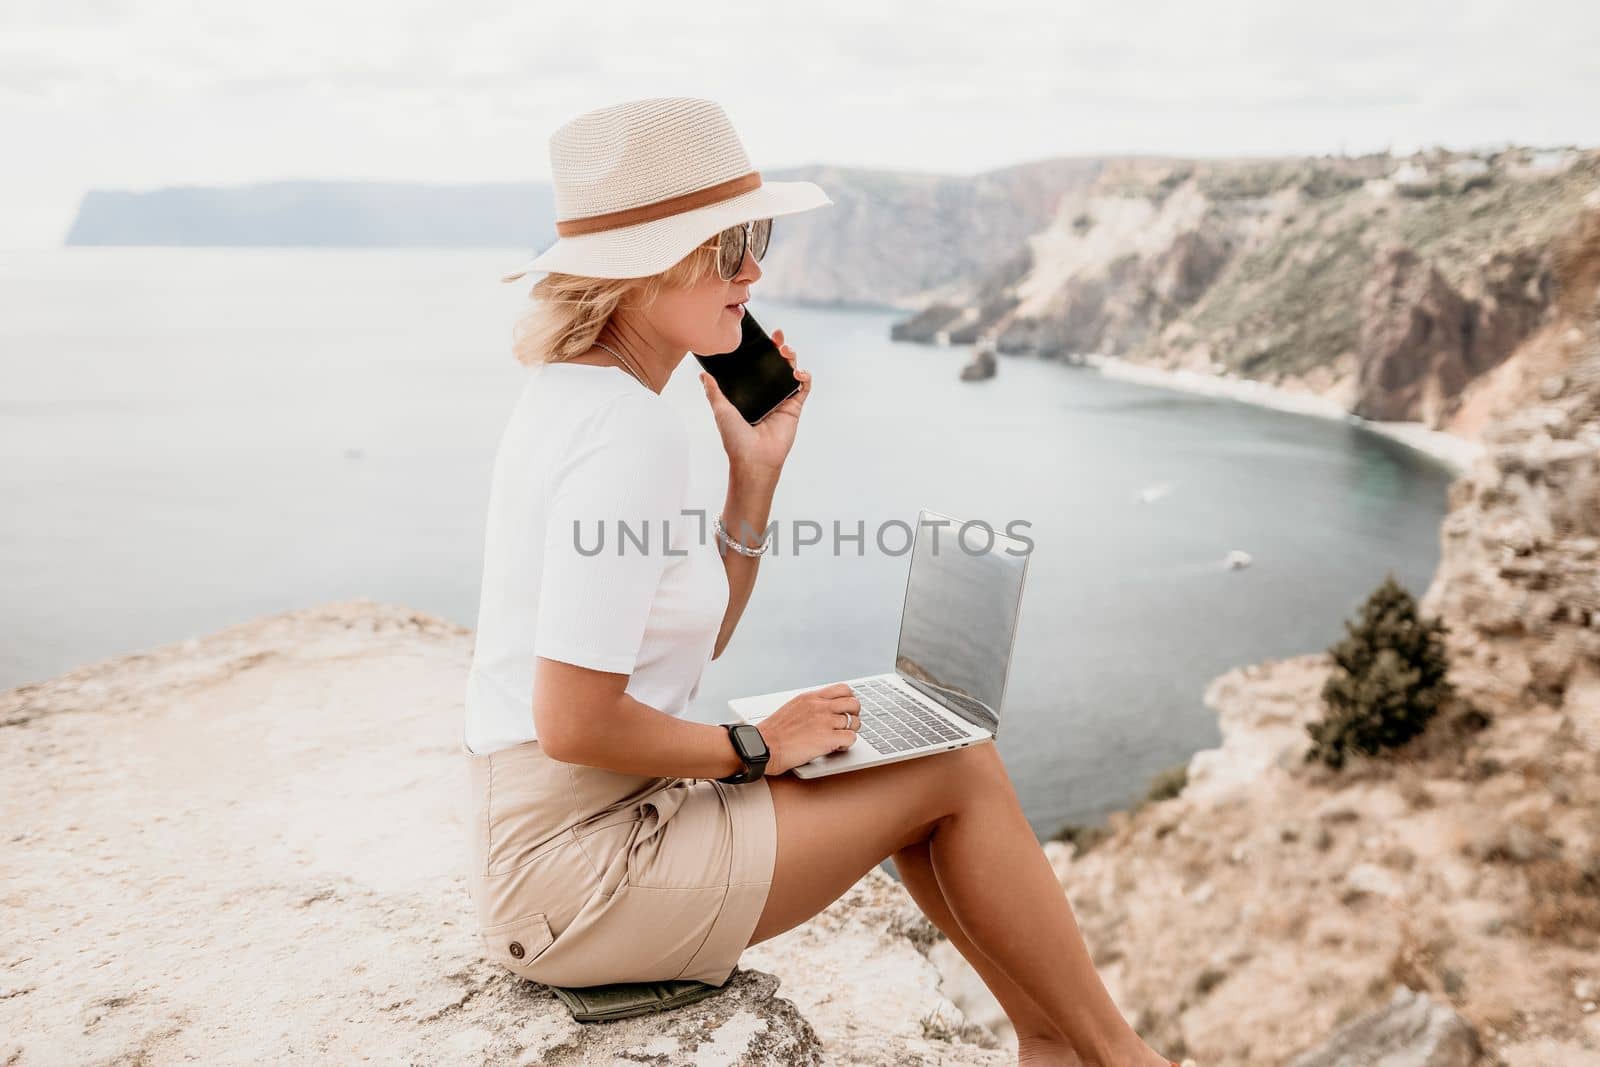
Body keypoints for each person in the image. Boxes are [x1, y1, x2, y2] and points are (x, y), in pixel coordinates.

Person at [463, 96, 1182, 1067]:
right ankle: (1106, 1052)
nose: (755, 270)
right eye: (729, 245)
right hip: (583, 870)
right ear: (645, 266)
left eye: (753, 238)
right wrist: (757, 742)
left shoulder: (592, 395)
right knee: (954, 764)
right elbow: (573, 722)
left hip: (595, 826)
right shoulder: (622, 430)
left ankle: (1055, 1040)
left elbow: (685, 643)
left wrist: (755, 475)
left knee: (910, 754)